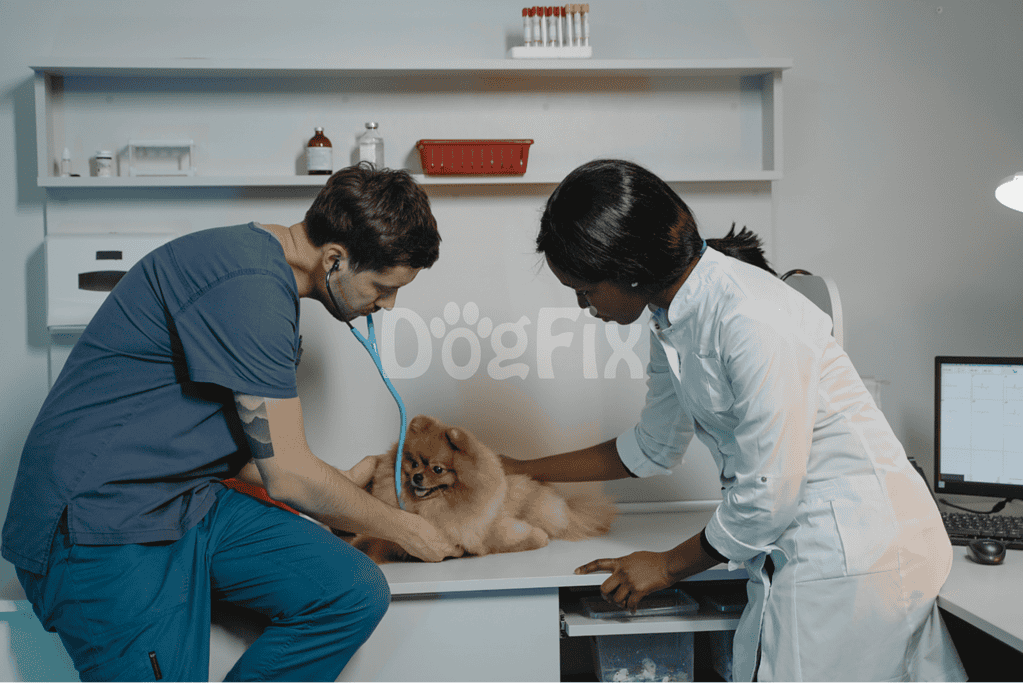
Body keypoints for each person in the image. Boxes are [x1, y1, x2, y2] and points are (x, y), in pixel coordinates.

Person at [504, 159, 966, 683]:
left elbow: (769, 495)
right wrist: (520, 469)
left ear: (630, 267)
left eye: (586, 290)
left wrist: (667, 565)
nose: (584, 306)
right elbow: (651, 447)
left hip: (854, 553)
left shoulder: (751, 316)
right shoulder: (670, 316)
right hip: (803, 548)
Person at [1, 163, 459, 682]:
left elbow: (254, 455)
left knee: (350, 593)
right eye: (383, 285)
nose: (388, 304)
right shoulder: (250, 287)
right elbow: (288, 472)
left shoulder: (262, 278)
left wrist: (340, 501)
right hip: (99, 525)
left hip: (184, 501)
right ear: (335, 259)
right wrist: (406, 528)